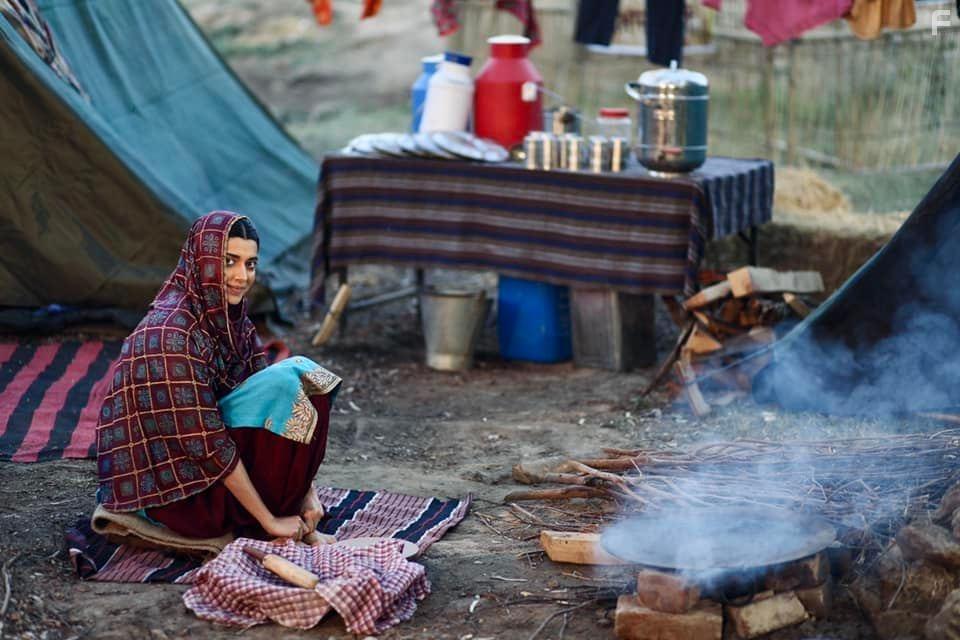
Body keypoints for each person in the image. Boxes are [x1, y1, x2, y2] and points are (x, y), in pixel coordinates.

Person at [95, 211, 340, 542]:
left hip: (208, 468)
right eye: (229, 261)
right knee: (285, 382)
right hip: (173, 495)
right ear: (203, 261)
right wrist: (269, 521)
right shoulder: (170, 336)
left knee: (303, 379)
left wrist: (307, 494)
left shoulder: (230, 320)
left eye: (250, 264)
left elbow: (273, 401)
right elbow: (208, 445)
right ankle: (263, 517)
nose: (242, 276)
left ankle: (288, 506)